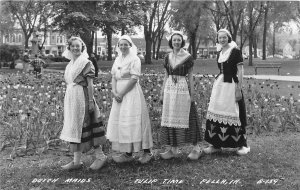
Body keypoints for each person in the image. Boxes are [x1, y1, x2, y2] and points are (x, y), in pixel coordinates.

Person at [60, 36, 107, 171]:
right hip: (72, 99)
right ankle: (76, 162)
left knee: (88, 125)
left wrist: (91, 101)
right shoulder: (70, 64)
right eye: (73, 46)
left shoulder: (86, 63)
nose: (75, 48)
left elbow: (90, 84)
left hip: (83, 98)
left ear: (82, 47)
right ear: (69, 48)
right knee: (75, 127)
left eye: (78, 46)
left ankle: (101, 157)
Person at [106, 35, 153, 164]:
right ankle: (128, 153)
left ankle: (147, 152)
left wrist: (121, 93)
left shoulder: (135, 59)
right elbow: (114, 77)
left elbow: (134, 78)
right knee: (123, 122)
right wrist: (114, 92)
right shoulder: (117, 59)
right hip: (119, 95)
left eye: (125, 44)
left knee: (136, 121)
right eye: (121, 44)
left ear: (130, 45)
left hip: (130, 93)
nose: (123, 47)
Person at [204, 29, 250, 156]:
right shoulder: (220, 52)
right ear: (218, 39)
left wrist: (239, 88)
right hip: (220, 85)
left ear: (228, 37)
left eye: (224, 37)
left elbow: (240, 71)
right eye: (220, 38)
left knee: (234, 112)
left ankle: (242, 145)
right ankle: (216, 144)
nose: (222, 40)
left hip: (231, 85)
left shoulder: (235, 51)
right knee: (216, 109)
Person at [159, 31, 203, 160]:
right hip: (170, 89)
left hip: (183, 88)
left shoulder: (188, 57)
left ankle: (196, 148)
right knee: (171, 116)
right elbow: (166, 76)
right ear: (171, 42)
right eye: (174, 40)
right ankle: (173, 149)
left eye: (179, 40)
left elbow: (190, 76)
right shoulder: (167, 57)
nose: (176, 42)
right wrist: (162, 92)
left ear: (182, 42)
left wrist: (192, 94)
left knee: (189, 116)